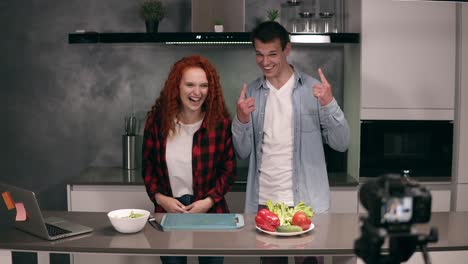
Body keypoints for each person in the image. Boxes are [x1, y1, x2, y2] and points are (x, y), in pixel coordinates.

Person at [231, 21, 350, 264]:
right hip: (265, 202)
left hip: (306, 202)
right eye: (260, 55)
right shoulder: (252, 93)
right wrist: (241, 119)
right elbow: (241, 152)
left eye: (272, 54)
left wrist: (329, 104)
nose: (266, 62)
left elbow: (341, 142)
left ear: (287, 50)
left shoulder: (313, 90)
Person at [142, 55, 236, 264]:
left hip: (210, 210)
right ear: (177, 86)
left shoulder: (219, 123)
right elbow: (148, 167)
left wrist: (208, 201)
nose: (197, 92)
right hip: (169, 209)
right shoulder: (157, 122)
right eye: (190, 85)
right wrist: (160, 198)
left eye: (203, 85)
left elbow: (229, 170)